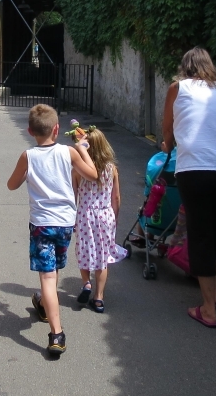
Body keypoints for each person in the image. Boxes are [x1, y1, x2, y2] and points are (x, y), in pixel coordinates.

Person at [161, 46, 216, 329]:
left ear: (186, 67)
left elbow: (167, 128)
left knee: (199, 235)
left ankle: (208, 309)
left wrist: (167, 145)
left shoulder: (177, 87)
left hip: (197, 166)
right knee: (214, 228)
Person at [6, 104, 98, 357]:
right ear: (57, 129)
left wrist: (29, 174)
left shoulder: (28, 156)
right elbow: (93, 174)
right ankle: (46, 306)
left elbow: (11, 185)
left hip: (42, 224)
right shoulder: (69, 153)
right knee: (54, 269)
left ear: (29, 131)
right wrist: (83, 149)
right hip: (66, 223)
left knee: (47, 276)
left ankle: (56, 333)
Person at [73, 127, 127, 313]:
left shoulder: (78, 170)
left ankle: (86, 283)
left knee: (85, 250)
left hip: (85, 214)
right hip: (105, 214)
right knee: (102, 256)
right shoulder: (111, 169)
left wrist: (72, 219)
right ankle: (99, 298)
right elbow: (116, 197)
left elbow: (74, 196)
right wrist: (115, 217)